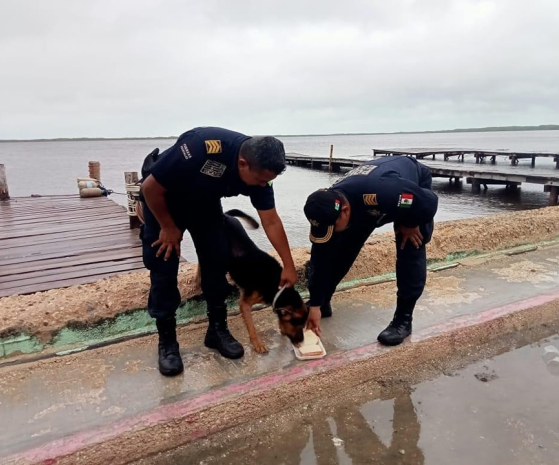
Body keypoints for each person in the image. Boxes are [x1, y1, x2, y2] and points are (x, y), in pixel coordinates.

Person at [140, 127, 298, 376]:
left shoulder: (261, 174)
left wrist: (288, 265)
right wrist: (168, 227)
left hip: (205, 203)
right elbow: (150, 187)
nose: (263, 186)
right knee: (163, 268)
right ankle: (168, 343)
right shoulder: (200, 147)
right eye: (260, 180)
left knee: (217, 260)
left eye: (267, 181)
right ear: (243, 164)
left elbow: (271, 221)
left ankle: (217, 330)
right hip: (165, 201)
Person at [303, 155, 438, 346]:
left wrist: (410, 222)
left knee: (409, 244)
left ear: (345, 211)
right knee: (336, 249)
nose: (328, 232)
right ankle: (324, 303)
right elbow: (320, 256)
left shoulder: (386, 192)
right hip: (367, 204)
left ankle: (403, 320)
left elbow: (430, 201)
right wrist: (315, 303)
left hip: (412, 196)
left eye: (331, 227)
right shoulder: (329, 205)